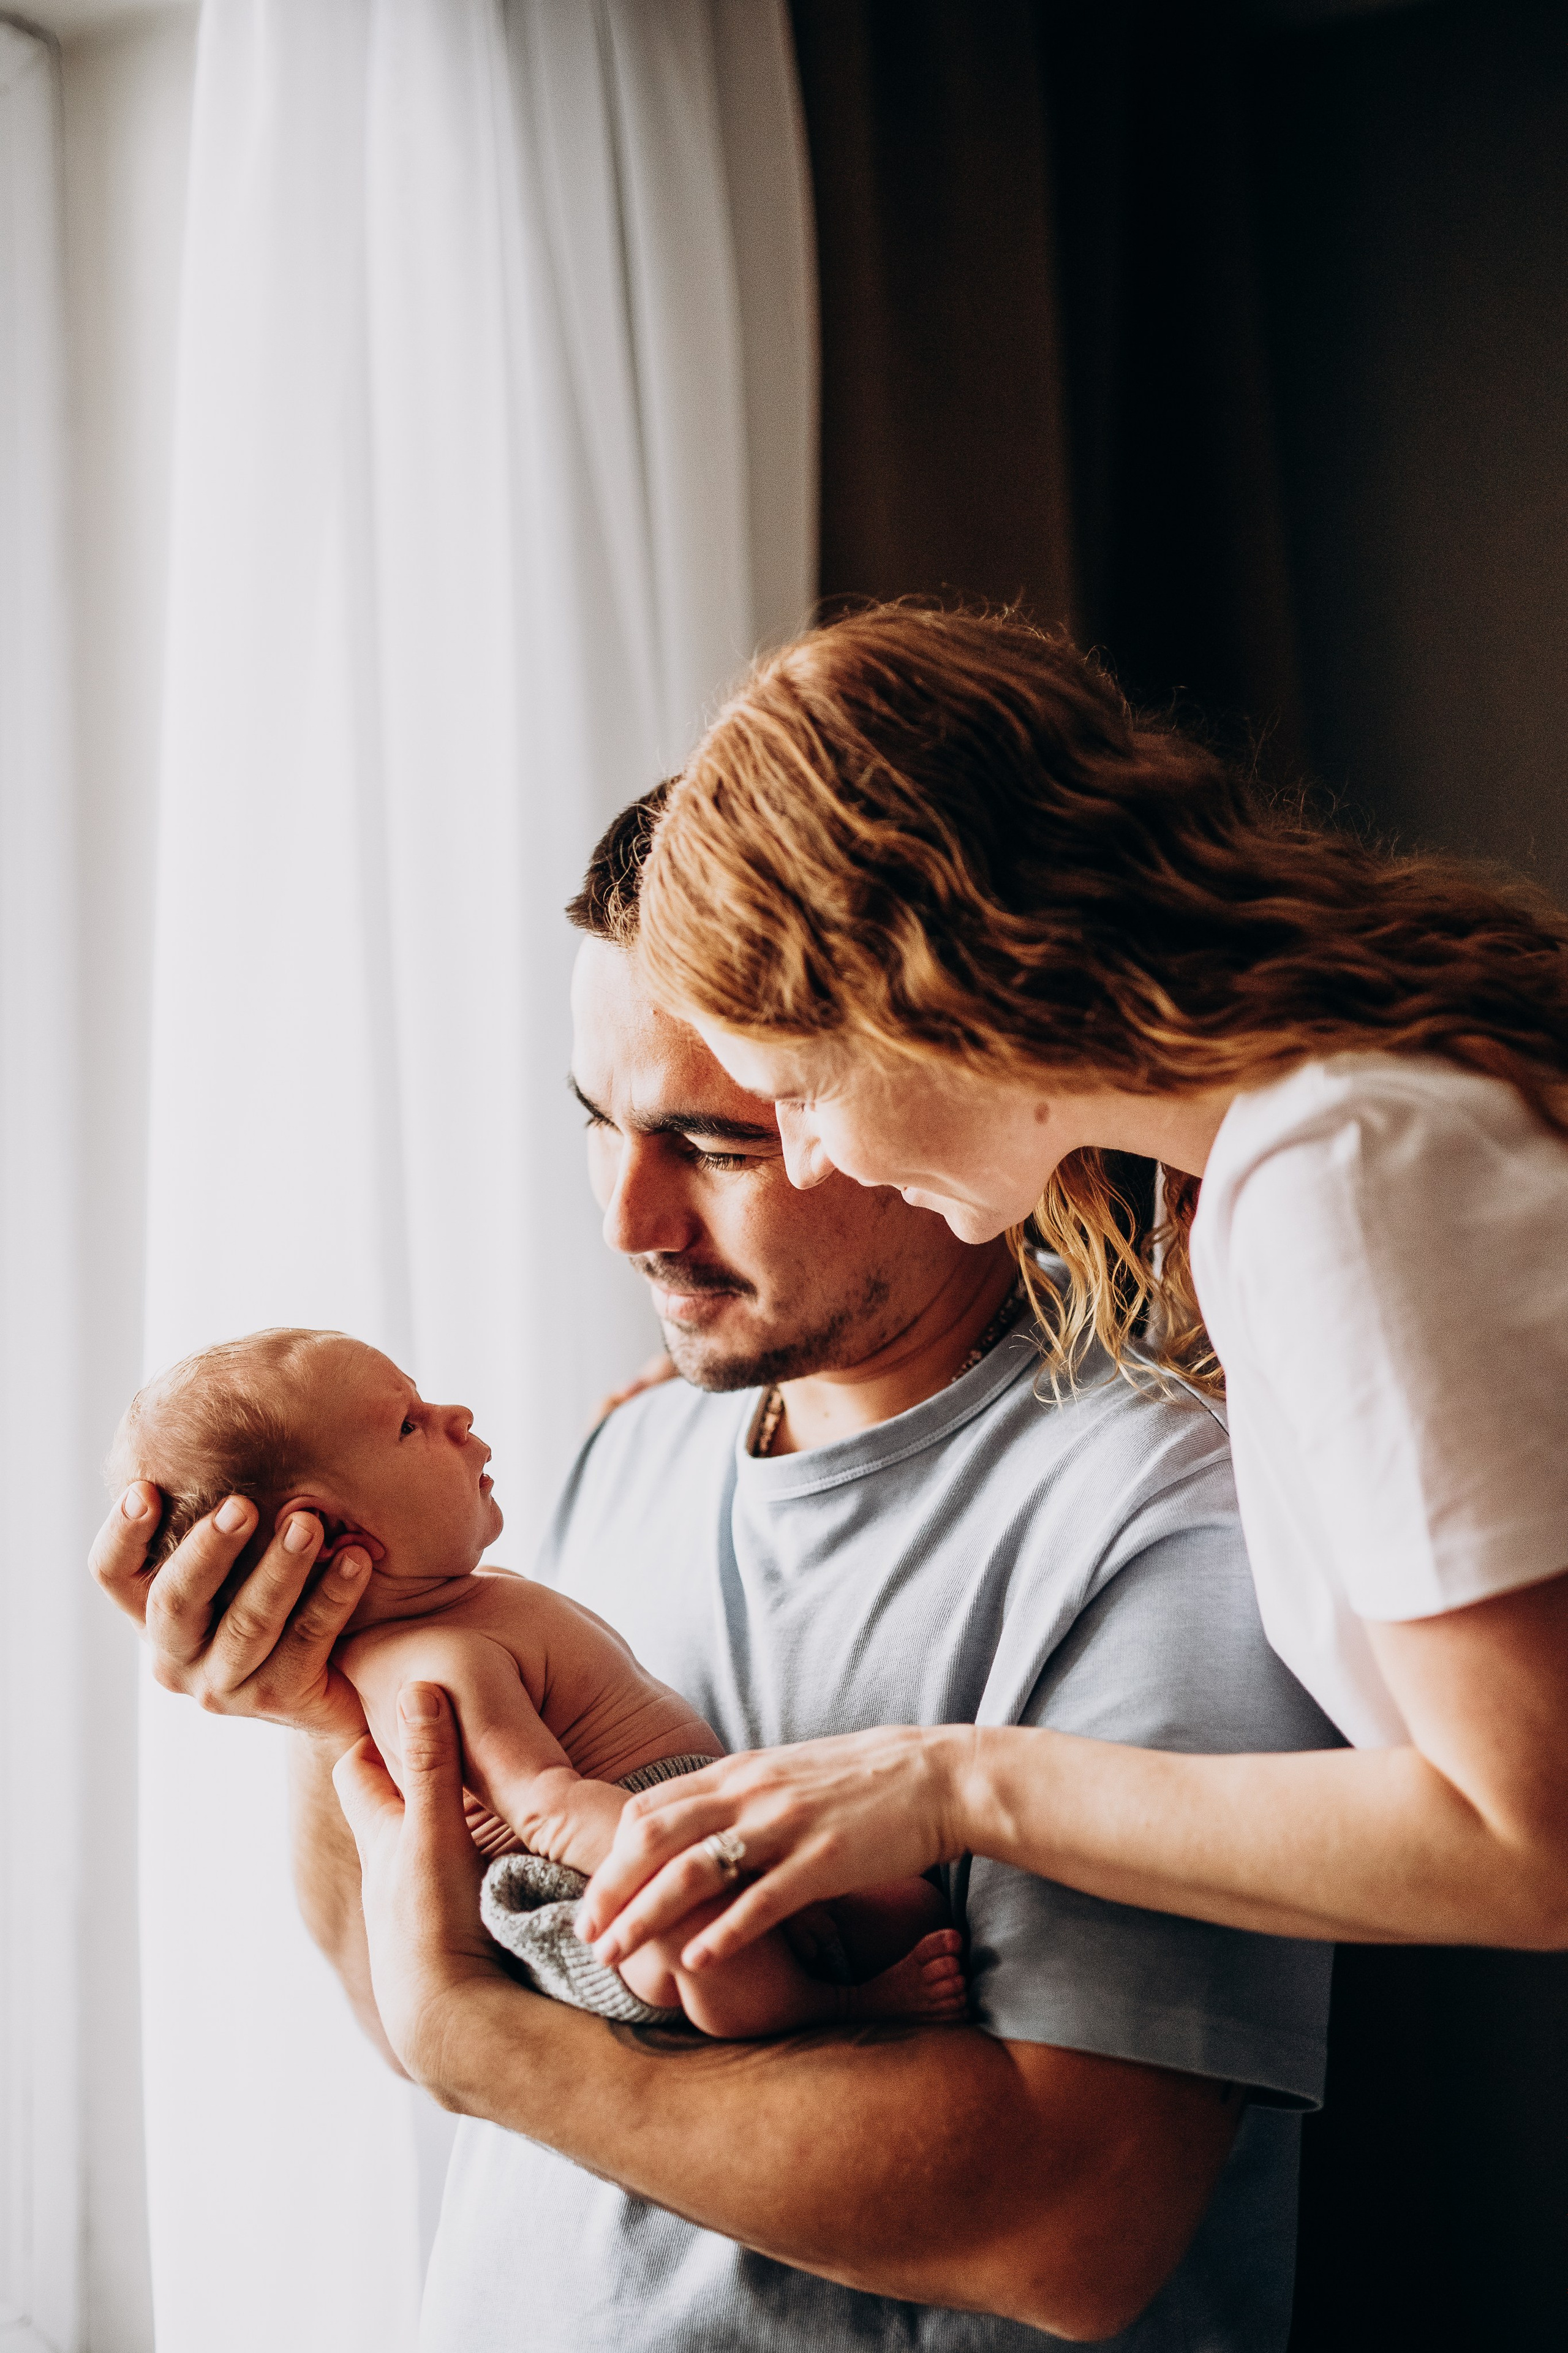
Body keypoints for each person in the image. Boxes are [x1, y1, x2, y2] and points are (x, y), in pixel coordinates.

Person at [91, 790, 1340, 2351]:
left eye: (712, 1138)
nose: (626, 1215)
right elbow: (403, 2001)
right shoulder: (628, 1458)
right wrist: (324, 1696)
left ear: (923, 1085)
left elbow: (1068, 2226)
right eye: (598, 1121)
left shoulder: (1161, 1520)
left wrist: (505, 2058)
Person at [575, 602, 1568, 1991]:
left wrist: (949, 1785)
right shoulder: (1248, 1174)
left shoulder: (1329, 1174)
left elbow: (1531, 1841)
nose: (810, 1157)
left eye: (789, 1098)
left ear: (923, 992)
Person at [110, 1326, 961, 2036]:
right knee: (697, 1951)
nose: (455, 1415)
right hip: (602, 1867)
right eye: (409, 1423)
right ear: (331, 1537)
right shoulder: (434, 1666)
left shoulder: (467, 1601)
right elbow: (547, 1807)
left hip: (667, 1820)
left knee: (903, 1901)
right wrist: (698, 1864)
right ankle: (840, 2006)